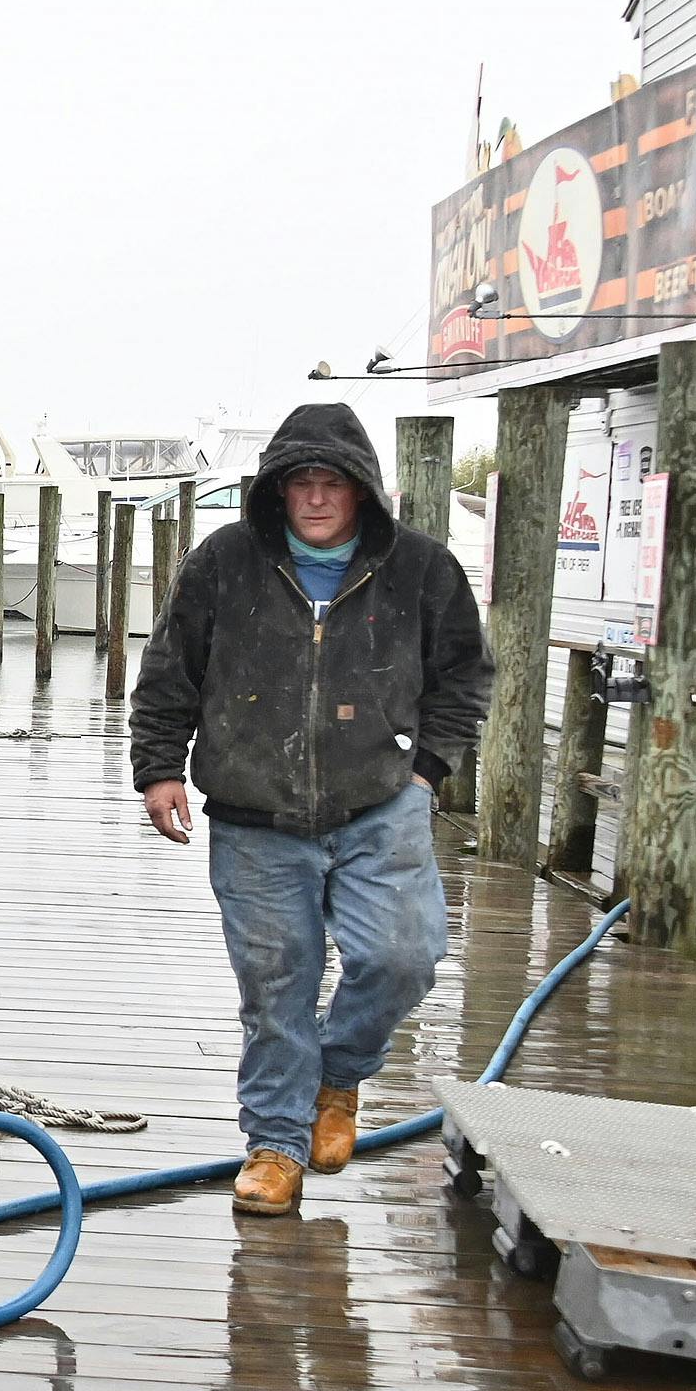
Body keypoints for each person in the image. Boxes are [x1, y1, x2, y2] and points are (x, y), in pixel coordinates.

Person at [129, 405, 492, 1218]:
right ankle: (276, 1146)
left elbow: (465, 678)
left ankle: (340, 1075)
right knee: (276, 984)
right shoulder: (224, 561)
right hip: (255, 813)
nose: (317, 498)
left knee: (405, 955)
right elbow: (169, 672)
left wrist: (427, 773)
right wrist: (159, 769)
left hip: (382, 802)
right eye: (302, 483)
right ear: (277, 492)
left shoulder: (424, 570)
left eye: (333, 482)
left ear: (363, 492)